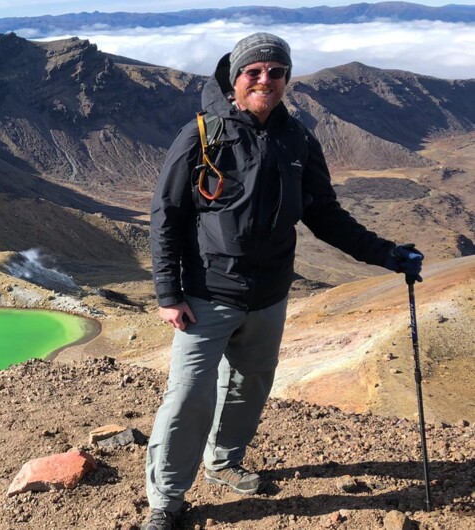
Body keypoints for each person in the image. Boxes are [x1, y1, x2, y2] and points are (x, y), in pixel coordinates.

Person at [142, 32, 424, 530]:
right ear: (236, 78)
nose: (265, 80)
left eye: (276, 72)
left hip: (270, 296)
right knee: (187, 397)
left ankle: (224, 464)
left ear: (287, 79)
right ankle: (166, 502)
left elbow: (324, 215)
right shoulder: (202, 134)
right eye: (254, 72)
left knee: (249, 390)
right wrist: (169, 293)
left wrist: (386, 254)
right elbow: (166, 215)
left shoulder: (298, 140)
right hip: (206, 295)